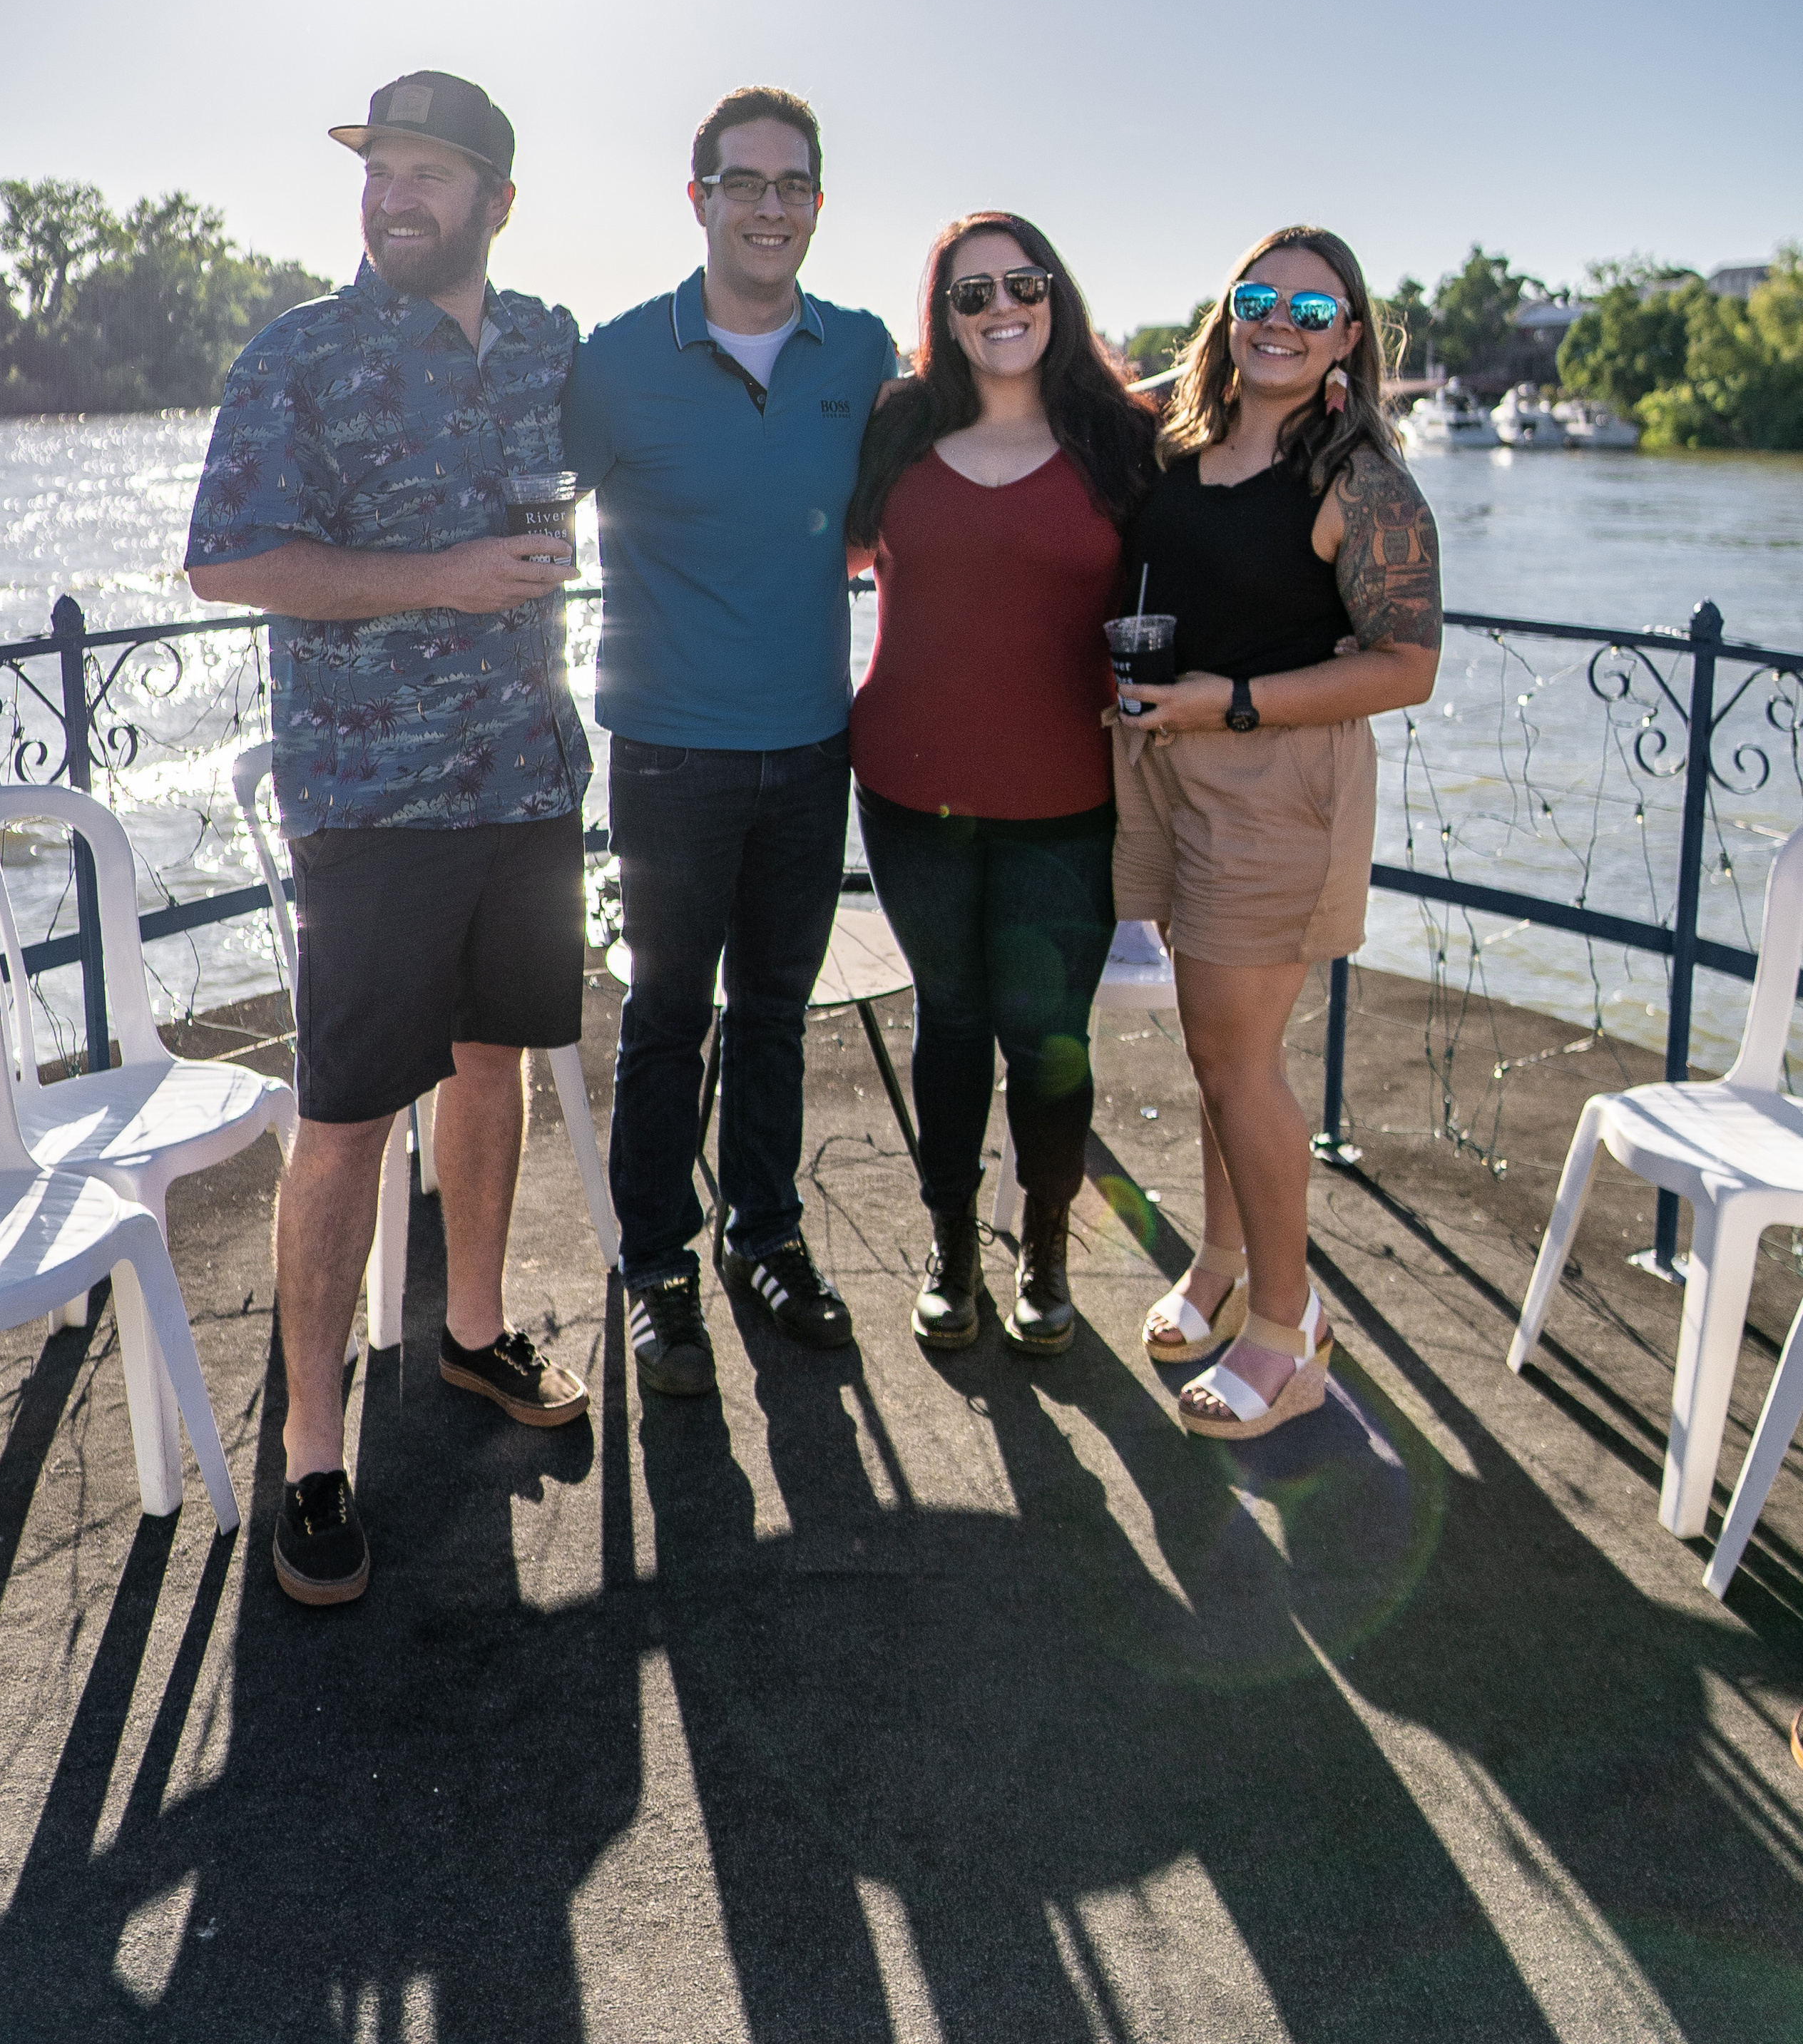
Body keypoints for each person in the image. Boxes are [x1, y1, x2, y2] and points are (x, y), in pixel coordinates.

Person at [186, 70, 593, 1607]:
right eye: (381, 171)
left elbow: (681, 433)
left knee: (494, 1066)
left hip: (529, 784)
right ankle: (311, 1448)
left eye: (430, 172)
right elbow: (230, 561)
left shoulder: (551, 344)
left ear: (496, 197)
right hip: (371, 805)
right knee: (347, 1118)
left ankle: (474, 1333)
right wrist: (448, 575)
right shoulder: (298, 354)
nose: (396, 195)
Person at [561, 87, 897, 1396]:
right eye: (744, 183)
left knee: (775, 1016)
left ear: (818, 203)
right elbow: (514, 501)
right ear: (697, 198)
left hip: (814, 750)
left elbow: (1004, 428)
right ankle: (657, 1271)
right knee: (663, 1020)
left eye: (792, 184)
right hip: (669, 756)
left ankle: (768, 1239)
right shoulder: (617, 360)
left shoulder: (861, 352)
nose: (770, 206)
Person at [1114, 227, 1441, 1437]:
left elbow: (1407, 665)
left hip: (1275, 787)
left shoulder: (1358, 483)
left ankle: (1289, 1322)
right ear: (1228, 312)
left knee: (1237, 1061)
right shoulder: (1181, 444)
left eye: (1316, 308)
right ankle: (1218, 1261)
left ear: (1350, 337)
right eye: (1261, 297)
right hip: (1174, 769)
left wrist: (1232, 702)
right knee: (1213, 1052)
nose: (1283, 322)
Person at [846, 215, 1158, 1354]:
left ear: (1056, 295)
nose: (1000, 307)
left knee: (1047, 1035)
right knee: (953, 1018)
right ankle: (949, 1249)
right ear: (945, 316)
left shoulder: (1122, 441)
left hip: (1069, 795)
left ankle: (1047, 1252)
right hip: (906, 785)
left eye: (1021, 283)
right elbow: (814, 546)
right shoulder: (899, 426)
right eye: (971, 294)